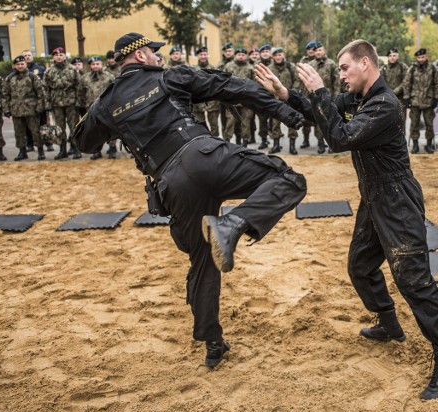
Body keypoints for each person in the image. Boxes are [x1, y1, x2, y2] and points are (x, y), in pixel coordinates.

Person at [73, 32, 307, 368]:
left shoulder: (107, 101)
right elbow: (235, 87)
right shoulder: (169, 76)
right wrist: (287, 114)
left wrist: (109, 114)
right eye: (153, 53)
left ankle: (213, 344)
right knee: (288, 179)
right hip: (204, 155)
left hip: (172, 183)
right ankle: (231, 224)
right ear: (139, 56)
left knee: (203, 259)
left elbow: (84, 141)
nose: (158, 57)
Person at [254, 39, 438, 400]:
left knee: (413, 279)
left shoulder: (384, 105)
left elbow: (339, 136)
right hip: (374, 196)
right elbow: (323, 112)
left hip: (397, 200)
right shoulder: (358, 100)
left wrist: (318, 90)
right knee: (360, 267)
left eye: (345, 67)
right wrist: (287, 93)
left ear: (365, 63)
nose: (341, 75)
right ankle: (389, 323)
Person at [2, 55, 46, 161]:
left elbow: (40, 92)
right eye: (18, 64)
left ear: (26, 64)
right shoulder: (10, 78)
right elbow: (5, 94)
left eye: (22, 64)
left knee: (35, 131)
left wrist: (40, 106)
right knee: (19, 132)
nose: (20, 66)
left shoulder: (32, 76)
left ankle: (40, 151)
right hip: (16, 110)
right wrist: (6, 109)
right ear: (14, 66)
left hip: (31, 109)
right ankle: (22, 151)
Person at [43, 47, 81, 159]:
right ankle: (62, 150)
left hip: (71, 103)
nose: (59, 57)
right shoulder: (49, 71)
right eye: (56, 55)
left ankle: (76, 148)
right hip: (56, 104)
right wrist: (48, 104)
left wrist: (79, 101)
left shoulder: (72, 69)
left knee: (74, 126)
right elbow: (45, 88)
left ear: (65, 56)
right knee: (59, 128)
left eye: (61, 55)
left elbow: (79, 86)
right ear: (53, 57)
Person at [403, 48, 438, 155]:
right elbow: (406, 83)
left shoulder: (432, 68)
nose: (421, 59)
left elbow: (437, 84)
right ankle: (415, 145)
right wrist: (406, 98)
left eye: (422, 57)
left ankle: (429, 145)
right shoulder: (412, 69)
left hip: (428, 101)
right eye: (419, 57)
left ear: (426, 57)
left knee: (429, 124)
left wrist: (436, 98)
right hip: (415, 101)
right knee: (414, 124)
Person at [77, 56, 116, 160]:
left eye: (97, 64)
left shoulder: (109, 77)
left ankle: (112, 148)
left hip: (107, 108)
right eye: (93, 64)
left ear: (101, 64)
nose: (95, 66)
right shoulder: (84, 78)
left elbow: (114, 92)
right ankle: (96, 151)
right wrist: (81, 107)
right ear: (90, 66)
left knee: (110, 127)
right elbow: (80, 93)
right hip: (90, 108)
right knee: (94, 129)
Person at [309, 41, 340, 154]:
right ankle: (320, 143)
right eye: (316, 50)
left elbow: (336, 82)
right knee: (318, 122)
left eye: (320, 50)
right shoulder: (311, 64)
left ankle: (331, 144)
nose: (318, 52)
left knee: (331, 121)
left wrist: (336, 97)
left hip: (329, 97)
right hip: (316, 98)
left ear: (324, 50)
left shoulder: (331, 64)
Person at [268, 47, 299, 155]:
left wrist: (292, 93)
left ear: (283, 55)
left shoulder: (290, 66)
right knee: (275, 123)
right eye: (275, 55)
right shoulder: (269, 68)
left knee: (292, 120)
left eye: (280, 54)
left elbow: (297, 80)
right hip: (275, 99)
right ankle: (276, 145)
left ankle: (292, 146)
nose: (278, 57)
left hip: (289, 98)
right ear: (273, 57)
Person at [223, 47, 254, 145]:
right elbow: (223, 80)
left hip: (246, 100)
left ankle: (244, 143)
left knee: (246, 122)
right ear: (235, 56)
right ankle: (227, 142)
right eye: (239, 55)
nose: (241, 57)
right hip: (231, 99)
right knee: (230, 122)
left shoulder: (251, 68)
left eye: (243, 55)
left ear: (246, 56)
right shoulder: (229, 66)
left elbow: (255, 84)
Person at [22, 49, 47, 152]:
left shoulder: (40, 68)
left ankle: (48, 143)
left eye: (29, 55)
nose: (27, 57)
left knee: (43, 123)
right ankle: (30, 144)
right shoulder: (20, 71)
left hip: (39, 100)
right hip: (26, 103)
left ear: (32, 56)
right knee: (28, 125)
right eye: (25, 56)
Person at [192, 47, 220, 137]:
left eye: (205, 54)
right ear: (198, 56)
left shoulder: (214, 68)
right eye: (201, 55)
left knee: (214, 125)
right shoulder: (193, 69)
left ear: (208, 55)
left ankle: (216, 142)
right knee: (200, 125)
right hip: (198, 101)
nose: (203, 56)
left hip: (212, 101)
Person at [297, 41, 317, 149]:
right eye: (309, 49)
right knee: (306, 118)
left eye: (313, 49)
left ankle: (321, 142)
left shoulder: (320, 61)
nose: (311, 51)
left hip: (317, 92)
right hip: (305, 93)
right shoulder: (303, 61)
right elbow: (299, 78)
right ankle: (306, 140)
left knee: (320, 119)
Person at [254, 44, 273, 150]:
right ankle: (263, 140)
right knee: (262, 119)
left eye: (267, 52)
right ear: (260, 54)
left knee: (274, 119)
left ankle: (275, 139)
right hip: (261, 96)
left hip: (273, 95)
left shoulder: (274, 63)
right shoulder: (256, 65)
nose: (265, 54)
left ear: (270, 53)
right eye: (263, 52)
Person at [380, 48, 407, 115]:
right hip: (387, 98)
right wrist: (389, 92)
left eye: (394, 55)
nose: (392, 58)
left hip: (400, 99)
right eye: (390, 56)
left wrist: (396, 91)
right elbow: (381, 82)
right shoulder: (383, 68)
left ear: (398, 56)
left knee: (401, 119)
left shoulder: (402, 67)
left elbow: (406, 81)